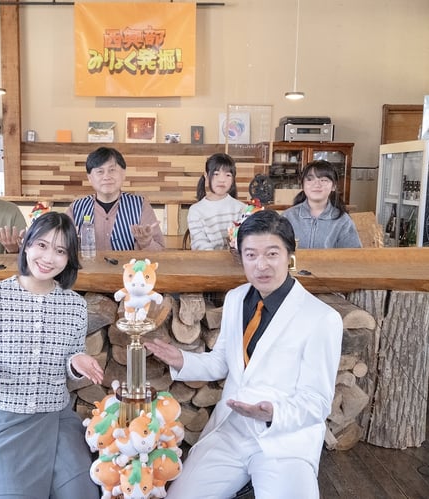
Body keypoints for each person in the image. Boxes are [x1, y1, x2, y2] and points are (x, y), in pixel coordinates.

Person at [146, 209, 342, 499]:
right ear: (241, 257)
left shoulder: (321, 318)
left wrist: (273, 412)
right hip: (232, 431)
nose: (261, 265)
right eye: (251, 255)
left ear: (290, 254)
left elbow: (317, 402)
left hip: (283, 440)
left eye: (272, 254)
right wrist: (182, 359)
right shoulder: (237, 298)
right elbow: (222, 362)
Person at [0, 211, 104, 498]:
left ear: (69, 258)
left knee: (81, 493)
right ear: (27, 243)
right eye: (42, 245)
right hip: (3, 422)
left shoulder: (75, 305)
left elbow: (72, 355)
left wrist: (76, 361)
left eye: (60, 251)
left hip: (56, 419)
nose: (48, 258)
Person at [67, 146, 165, 251]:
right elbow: (61, 247)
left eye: (112, 170)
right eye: (100, 171)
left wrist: (146, 243)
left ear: (123, 174)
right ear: (90, 178)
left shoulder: (140, 205)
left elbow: (160, 251)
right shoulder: (76, 208)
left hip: (128, 262)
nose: (106, 177)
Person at [281, 159, 361, 248]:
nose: (317, 184)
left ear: (334, 186)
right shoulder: (288, 217)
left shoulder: (343, 221)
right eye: (310, 179)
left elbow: (353, 254)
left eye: (323, 180)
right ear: (302, 185)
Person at [187, 153, 246, 250]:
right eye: (216, 174)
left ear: (233, 179)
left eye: (228, 175)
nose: (222, 180)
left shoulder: (242, 208)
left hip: (236, 259)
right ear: (206, 176)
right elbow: (199, 243)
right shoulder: (195, 211)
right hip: (208, 259)